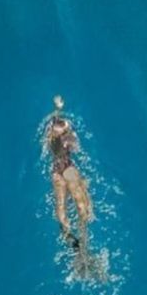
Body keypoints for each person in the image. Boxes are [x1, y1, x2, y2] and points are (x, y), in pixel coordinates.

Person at [45, 96, 94, 264]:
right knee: (83, 208)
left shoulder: (52, 138)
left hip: (58, 173)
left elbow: (55, 122)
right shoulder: (63, 139)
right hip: (67, 170)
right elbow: (72, 143)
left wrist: (57, 108)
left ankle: (72, 240)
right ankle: (82, 244)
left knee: (62, 209)